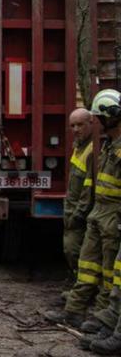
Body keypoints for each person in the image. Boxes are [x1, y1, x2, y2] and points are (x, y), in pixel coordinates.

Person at [47, 89, 121, 332]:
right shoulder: (108, 146)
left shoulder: (115, 149)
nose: (96, 123)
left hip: (111, 215)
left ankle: (102, 317)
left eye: (98, 119)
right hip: (99, 213)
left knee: (109, 271)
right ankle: (74, 312)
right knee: (87, 267)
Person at [61, 109, 95, 299]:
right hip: (72, 208)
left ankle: (84, 293)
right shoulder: (80, 146)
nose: (75, 129)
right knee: (72, 250)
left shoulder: (91, 150)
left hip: (79, 212)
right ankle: (78, 286)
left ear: (91, 123)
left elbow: (87, 187)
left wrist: (79, 213)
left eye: (80, 125)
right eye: (72, 125)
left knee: (76, 251)